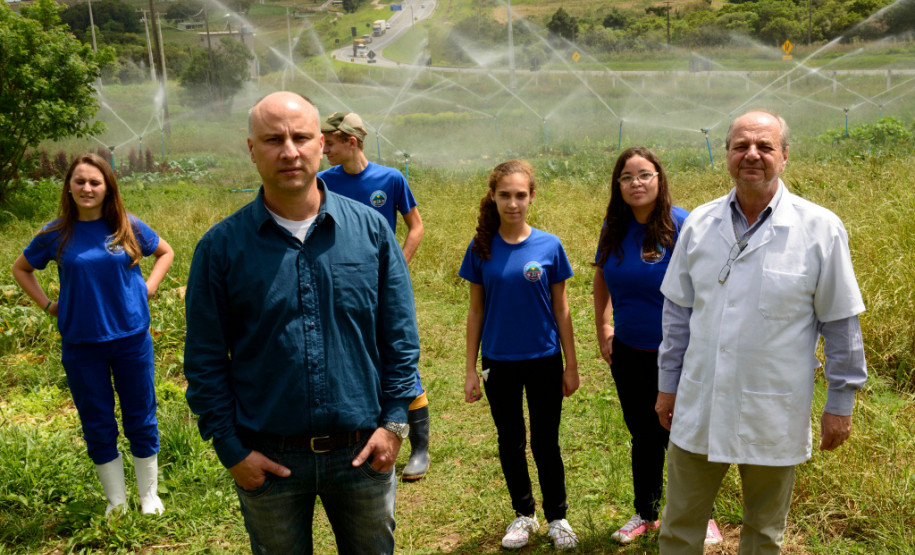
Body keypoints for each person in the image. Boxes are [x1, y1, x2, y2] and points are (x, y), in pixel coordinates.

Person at [183, 92, 420, 554]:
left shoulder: (371, 232)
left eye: (301, 137)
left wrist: (393, 425)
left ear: (322, 144)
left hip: (363, 452)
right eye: (273, 139)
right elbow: (205, 360)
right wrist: (233, 452)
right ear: (252, 149)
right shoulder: (221, 249)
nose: (289, 151)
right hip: (267, 459)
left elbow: (401, 340)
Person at [655, 110, 867, 554]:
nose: (752, 155)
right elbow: (677, 315)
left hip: (773, 408)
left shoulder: (819, 229)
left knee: (765, 534)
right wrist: (667, 386)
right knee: (678, 527)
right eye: (741, 146)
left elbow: (841, 323)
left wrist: (840, 402)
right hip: (700, 399)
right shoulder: (698, 223)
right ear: (727, 155)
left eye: (765, 147)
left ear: (784, 156)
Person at [12, 153, 174, 516]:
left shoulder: (125, 226)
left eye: (95, 182)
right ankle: (116, 501)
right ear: (69, 186)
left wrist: (147, 289)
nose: (87, 188)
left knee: (141, 415)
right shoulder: (56, 233)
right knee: (97, 421)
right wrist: (48, 305)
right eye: (80, 181)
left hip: (131, 338)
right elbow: (21, 269)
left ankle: (149, 496)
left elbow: (165, 252)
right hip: (82, 344)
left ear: (107, 188)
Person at [592, 147, 726, 544]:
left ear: (659, 178)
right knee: (643, 434)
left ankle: (701, 516)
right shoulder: (613, 226)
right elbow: (601, 277)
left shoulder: (684, 224)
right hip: (629, 351)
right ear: (618, 186)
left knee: (684, 436)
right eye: (627, 177)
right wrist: (604, 327)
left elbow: (709, 283)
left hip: (682, 353)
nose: (637, 183)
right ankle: (646, 512)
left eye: (644, 175)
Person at [460, 160, 580, 550]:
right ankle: (524, 514)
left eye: (520, 195)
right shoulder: (481, 248)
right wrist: (470, 370)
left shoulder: (549, 245)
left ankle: (558, 517)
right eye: (505, 195)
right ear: (493, 197)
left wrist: (571, 365)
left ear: (532, 197)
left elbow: (561, 309)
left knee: (546, 441)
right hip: (499, 361)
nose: (513, 203)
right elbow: (476, 311)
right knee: (510, 439)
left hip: (544, 359)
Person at [318, 112, 430, 481]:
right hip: (341, 290)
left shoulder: (390, 179)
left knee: (398, 356)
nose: (323, 149)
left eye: (329, 142)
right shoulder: (323, 182)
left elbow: (415, 227)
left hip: (383, 289)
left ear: (351, 141)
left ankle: (419, 448)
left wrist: (396, 269)